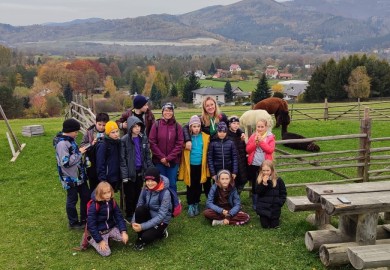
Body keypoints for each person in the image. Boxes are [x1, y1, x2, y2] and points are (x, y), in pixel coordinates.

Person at [53, 118, 90, 229]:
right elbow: (65, 162)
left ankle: (85, 219)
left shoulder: (69, 140)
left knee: (85, 196)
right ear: (69, 131)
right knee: (72, 199)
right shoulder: (62, 144)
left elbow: (73, 153)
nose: (77, 134)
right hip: (70, 178)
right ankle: (73, 223)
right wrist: (79, 153)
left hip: (79, 176)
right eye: (76, 132)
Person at [120, 116, 154, 221]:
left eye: (139, 126)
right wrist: (125, 175)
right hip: (130, 172)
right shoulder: (124, 140)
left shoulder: (143, 138)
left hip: (140, 171)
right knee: (129, 195)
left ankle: (137, 212)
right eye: (134, 126)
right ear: (130, 127)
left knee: (139, 193)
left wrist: (150, 168)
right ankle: (129, 214)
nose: (137, 128)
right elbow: (122, 159)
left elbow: (147, 155)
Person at [131, 167, 172, 251]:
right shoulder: (145, 188)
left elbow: (161, 216)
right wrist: (133, 221)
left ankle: (162, 232)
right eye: (147, 180)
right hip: (149, 214)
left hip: (161, 220)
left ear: (157, 180)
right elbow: (139, 204)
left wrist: (142, 226)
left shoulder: (165, 193)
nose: (149, 183)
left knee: (146, 237)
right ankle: (140, 238)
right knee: (140, 210)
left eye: (152, 180)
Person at [178, 115, 210, 217]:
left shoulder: (205, 137)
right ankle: (191, 204)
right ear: (190, 127)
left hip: (201, 165)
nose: (196, 129)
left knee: (199, 185)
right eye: (194, 126)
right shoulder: (186, 138)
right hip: (190, 165)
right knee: (191, 185)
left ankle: (197, 202)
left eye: (198, 126)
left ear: (200, 127)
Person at [148, 102, 184, 192]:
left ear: (173, 112)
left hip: (173, 162)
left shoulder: (177, 126)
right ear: (162, 112)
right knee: (160, 183)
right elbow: (152, 142)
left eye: (170, 110)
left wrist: (168, 158)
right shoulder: (156, 125)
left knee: (172, 183)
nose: (168, 113)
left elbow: (179, 144)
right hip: (159, 161)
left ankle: (173, 204)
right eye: (166, 110)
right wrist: (162, 158)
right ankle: (162, 205)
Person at [86, 181, 128, 256]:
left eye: (109, 192)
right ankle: (91, 240)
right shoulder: (94, 205)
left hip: (111, 228)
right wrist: (99, 241)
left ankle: (109, 238)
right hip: (100, 232)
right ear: (99, 194)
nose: (108, 195)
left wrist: (123, 231)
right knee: (106, 253)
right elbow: (91, 225)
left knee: (123, 238)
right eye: (104, 193)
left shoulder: (113, 202)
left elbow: (119, 216)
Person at [246, 118, 275, 208]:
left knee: (265, 181)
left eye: (262, 127)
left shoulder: (270, 137)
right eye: (258, 126)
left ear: (266, 127)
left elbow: (270, 150)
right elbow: (248, 149)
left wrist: (261, 142)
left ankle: (265, 200)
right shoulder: (253, 136)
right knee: (255, 183)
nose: (260, 128)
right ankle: (255, 202)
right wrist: (255, 143)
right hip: (254, 164)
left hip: (265, 165)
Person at [81, 112, 109, 192]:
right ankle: (94, 203)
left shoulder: (108, 132)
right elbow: (82, 146)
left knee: (104, 187)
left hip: (104, 163)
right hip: (91, 163)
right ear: (95, 122)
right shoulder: (89, 132)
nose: (101, 127)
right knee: (93, 187)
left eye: (104, 125)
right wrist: (91, 144)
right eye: (99, 124)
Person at [255, 160, 287, 229]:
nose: (265, 172)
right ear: (261, 170)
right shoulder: (259, 180)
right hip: (263, 208)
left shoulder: (278, 180)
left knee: (274, 226)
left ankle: (274, 219)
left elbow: (283, 192)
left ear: (272, 170)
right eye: (264, 170)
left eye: (267, 170)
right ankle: (263, 217)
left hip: (274, 207)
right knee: (265, 226)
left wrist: (280, 202)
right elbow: (258, 192)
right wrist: (264, 184)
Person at [96, 121, 121, 191]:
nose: (116, 134)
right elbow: (100, 163)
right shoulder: (103, 145)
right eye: (113, 132)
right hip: (107, 177)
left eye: (117, 131)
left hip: (116, 176)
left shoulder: (118, 142)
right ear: (108, 133)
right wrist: (102, 179)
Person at [227, 115, 248, 193]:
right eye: (234, 123)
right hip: (233, 164)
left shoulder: (240, 135)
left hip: (242, 162)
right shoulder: (227, 136)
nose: (236, 125)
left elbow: (244, 148)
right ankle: (232, 201)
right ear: (229, 124)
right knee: (233, 183)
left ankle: (236, 199)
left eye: (237, 123)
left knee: (242, 182)